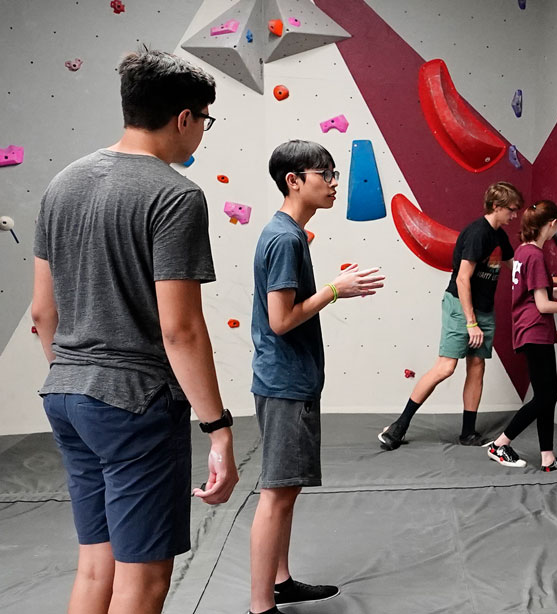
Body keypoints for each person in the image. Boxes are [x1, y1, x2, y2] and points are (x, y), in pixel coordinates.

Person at [30, 48, 239, 614]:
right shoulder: (175, 195)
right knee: (143, 582)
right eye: (204, 122)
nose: (201, 135)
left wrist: (76, 375)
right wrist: (218, 429)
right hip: (134, 404)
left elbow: (42, 316)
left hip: (67, 395)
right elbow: (181, 330)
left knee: (96, 568)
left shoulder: (61, 184)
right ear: (184, 119)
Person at [246, 140, 384, 614]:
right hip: (285, 383)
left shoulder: (288, 234)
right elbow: (281, 320)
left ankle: (280, 582)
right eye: (323, 173)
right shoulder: (285, 238)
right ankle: (261, 605)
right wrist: (335, 290)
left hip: (289, 380)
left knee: (287, 490)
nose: (333, 183)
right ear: (294, 180)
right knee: (277, 494)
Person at [379, 182, 522, 449]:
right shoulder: (477, 234)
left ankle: (468, 432)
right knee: (446, 367)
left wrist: (548, 280)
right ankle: (399, 426)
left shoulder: (499, 236)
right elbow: (463, 280)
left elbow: (516, 270)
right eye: (512, 210)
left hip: (484, 308)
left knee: (477, 366)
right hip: (460, 305)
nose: (514, 216)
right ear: (496, 207)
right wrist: (470, 322)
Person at [486, 200, 557, 471]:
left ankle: (547, 457)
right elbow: (542, 306)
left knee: (548, 394)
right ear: (550, 225)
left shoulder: (524, 252)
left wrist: (553, 286)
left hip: (530, 331)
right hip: (535, 331)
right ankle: (500, 443)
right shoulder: (535, 255)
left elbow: (531, 294)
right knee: (546, 396)